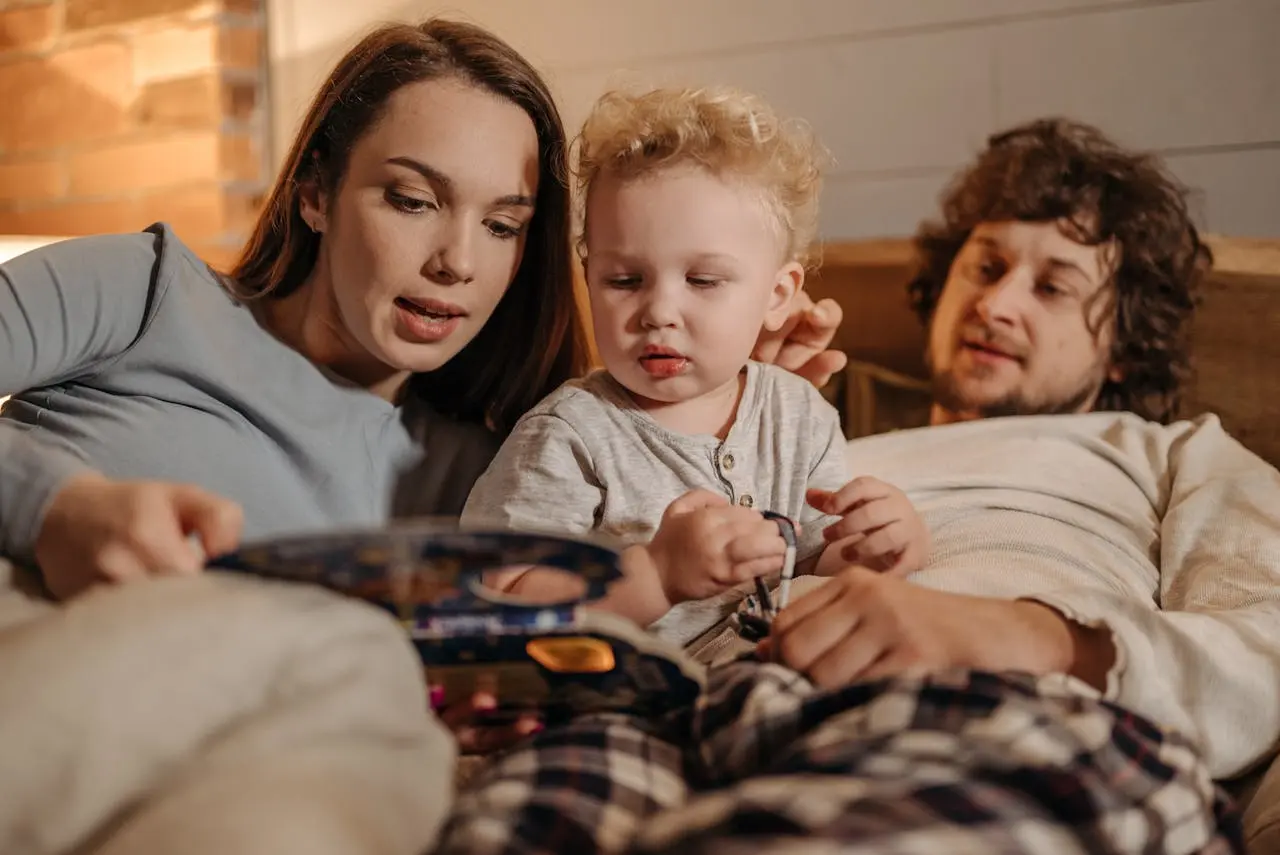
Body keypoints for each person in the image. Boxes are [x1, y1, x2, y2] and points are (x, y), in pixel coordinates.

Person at [0, 19, 844, 855]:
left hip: (261, 761)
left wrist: (724, 393)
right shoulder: (146, 290)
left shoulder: (491, 464)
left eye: (503, 225)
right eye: (412, 199)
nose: (457, 262)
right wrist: (54, 508)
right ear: (316, 191)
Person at [434, 118, 1277, 855]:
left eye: (1053, 286)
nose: (999, 304)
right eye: (984, 267)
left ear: (1126, 341)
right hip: (707, 703)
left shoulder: (1167, 452)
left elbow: (1264, 643)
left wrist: (1022, 635)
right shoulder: (808, 422)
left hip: (990, 704)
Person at [460, 86, 928, 663]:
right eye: (624, 281)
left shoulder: (798, 414)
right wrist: (653, 576)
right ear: (589, 276)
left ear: (777, 296)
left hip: (766, 676)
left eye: (703, 281)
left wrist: (879, 546)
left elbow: (812, 558)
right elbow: (498, 605)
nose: (658, 312)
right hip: (620, 696)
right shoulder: (569, 435)